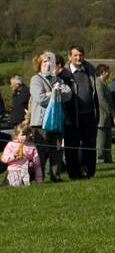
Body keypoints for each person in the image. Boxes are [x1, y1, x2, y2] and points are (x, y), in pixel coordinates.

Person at [58, 45, 99, 179]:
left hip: (89, 116)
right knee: (71, 148)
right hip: (71, 117)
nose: (78, 58)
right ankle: (74, 174)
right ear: (69, 57)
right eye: (75, 55)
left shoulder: (91, 71)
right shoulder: (63, 74)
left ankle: (89, 172)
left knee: (90, 146)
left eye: (80, 55)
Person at [29, 51, 70, 183]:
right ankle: (38, 177)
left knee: (57, 150)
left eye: (50, 62)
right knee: (40, 151)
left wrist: (51, 93)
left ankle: (55, 175)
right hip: (40, 122)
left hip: (56, 121)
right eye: (44, 62)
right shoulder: (35, 80)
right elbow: (40, 99)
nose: (47, 65)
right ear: (39, 64)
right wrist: (56, 93)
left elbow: (68, 94)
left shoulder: (57, 79)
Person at [94, 65, 114, 164]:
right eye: (107, 71)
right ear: (103, 72)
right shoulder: (98, 82)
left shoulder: (104, 83)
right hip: (101, 117)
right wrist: (110, 111)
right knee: (101, 140)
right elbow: (101, 99)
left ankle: (108, 158)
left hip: (107, 117)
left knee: (108, 139)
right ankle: (100, 159)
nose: (109, 73)